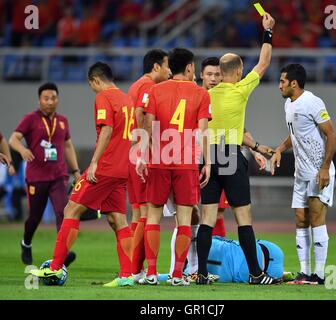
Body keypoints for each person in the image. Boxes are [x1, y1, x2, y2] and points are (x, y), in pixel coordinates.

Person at [30, 62, 135, 287]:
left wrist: (94, 162)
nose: (93, 90)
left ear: (95, 80)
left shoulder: (103, 97)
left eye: (92, 86)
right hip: (122, 168)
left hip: (105, 167)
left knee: (71, 209)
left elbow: (106, 129)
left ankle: (56, 268)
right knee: (118, 219)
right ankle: (127, 275)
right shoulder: (126, 99)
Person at [196, 12, 278, 285]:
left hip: (207, 157)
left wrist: (255, 146)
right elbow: (264, 61)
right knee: (243, 218)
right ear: (239, 71)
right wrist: (267, 31)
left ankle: (202, 274)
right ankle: (256, 274)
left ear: (220, 72)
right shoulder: (241, 89)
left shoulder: (204, 95)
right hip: (230, 155)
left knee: (207, 218)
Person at [136, 48, 211, 286]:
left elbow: (147, 126)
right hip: (186, 162)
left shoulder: (154, 90)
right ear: (189, 68)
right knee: (185, 219)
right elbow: (202, 132)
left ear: (171, 67)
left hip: (159, 159)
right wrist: (206, 161)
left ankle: (151, 273)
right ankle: (178, 275)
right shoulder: (201, 94)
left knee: (153, 218)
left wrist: (140, 155)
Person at [270, 64, 336, 285]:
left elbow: (331, 134)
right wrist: (279, 149)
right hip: (301, 173)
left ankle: (318, 275)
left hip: (318, 172)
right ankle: (305, 273)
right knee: (300, 219)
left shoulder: (312, 102)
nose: (279, 85)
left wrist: (325, 167)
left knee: (317, 219)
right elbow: (294, 134)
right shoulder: (289, 104)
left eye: (282, 81)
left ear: (293, 84)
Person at [9, 83, 80, 266]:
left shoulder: (63, 120)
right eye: (46, 98)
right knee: (35, 216)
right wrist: (22, 150)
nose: (50, 102)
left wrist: (75, 170)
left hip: (58, 175)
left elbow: (68, 146)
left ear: (58, 99)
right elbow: (13, 139)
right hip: (36, 176)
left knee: (62, 213)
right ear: (39, 100)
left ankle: (62, 254)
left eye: (53, 98)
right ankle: (26, 243)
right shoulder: (30, 119)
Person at [127, 49, 171, 282]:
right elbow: (142, 116)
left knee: (138, 213)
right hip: (141, 154)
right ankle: (135, 270)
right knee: (146, 213)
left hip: (132, 152)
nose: (169, 71)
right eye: (166, 66)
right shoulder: (148, 87)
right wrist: (147, 148)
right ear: (156, 67)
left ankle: (135, 268)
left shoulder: (136, 85)